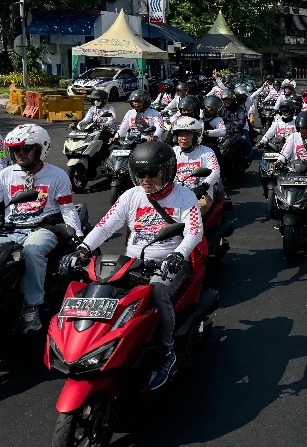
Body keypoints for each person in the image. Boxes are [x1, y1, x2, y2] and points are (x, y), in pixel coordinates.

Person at [61, 141, 203, 390]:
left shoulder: (185, 196)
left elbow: (193, 233)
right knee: (98, 289)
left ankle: (166, 352)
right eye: (140, 174)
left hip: (168, 265)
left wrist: (178, 256)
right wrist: (83, 248)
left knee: (158, 291)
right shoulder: (131, 195)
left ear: (167, 170)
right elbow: (106, 225)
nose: (145, 179)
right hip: (133, 263)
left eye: (151, 173)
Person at [0, 125, 83, 332]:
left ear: (40, 149)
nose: (20, 153)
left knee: (33, 251)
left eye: (26, 149)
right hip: (11, 228)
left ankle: (32, 307)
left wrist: (79, 238)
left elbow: (67, 209)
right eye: (16, 149)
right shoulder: (5, 174)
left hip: (43, 228)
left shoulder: (58, 175)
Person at [171, 116, 221, 215]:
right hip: (175, 193)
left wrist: (203, 187)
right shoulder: (172, 152)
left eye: (188, 134)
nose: (183, 138)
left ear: (196, 136)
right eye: (181, 135)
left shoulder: (206, 152)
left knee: (192, 212)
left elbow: (215, 172)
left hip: (201, 193)